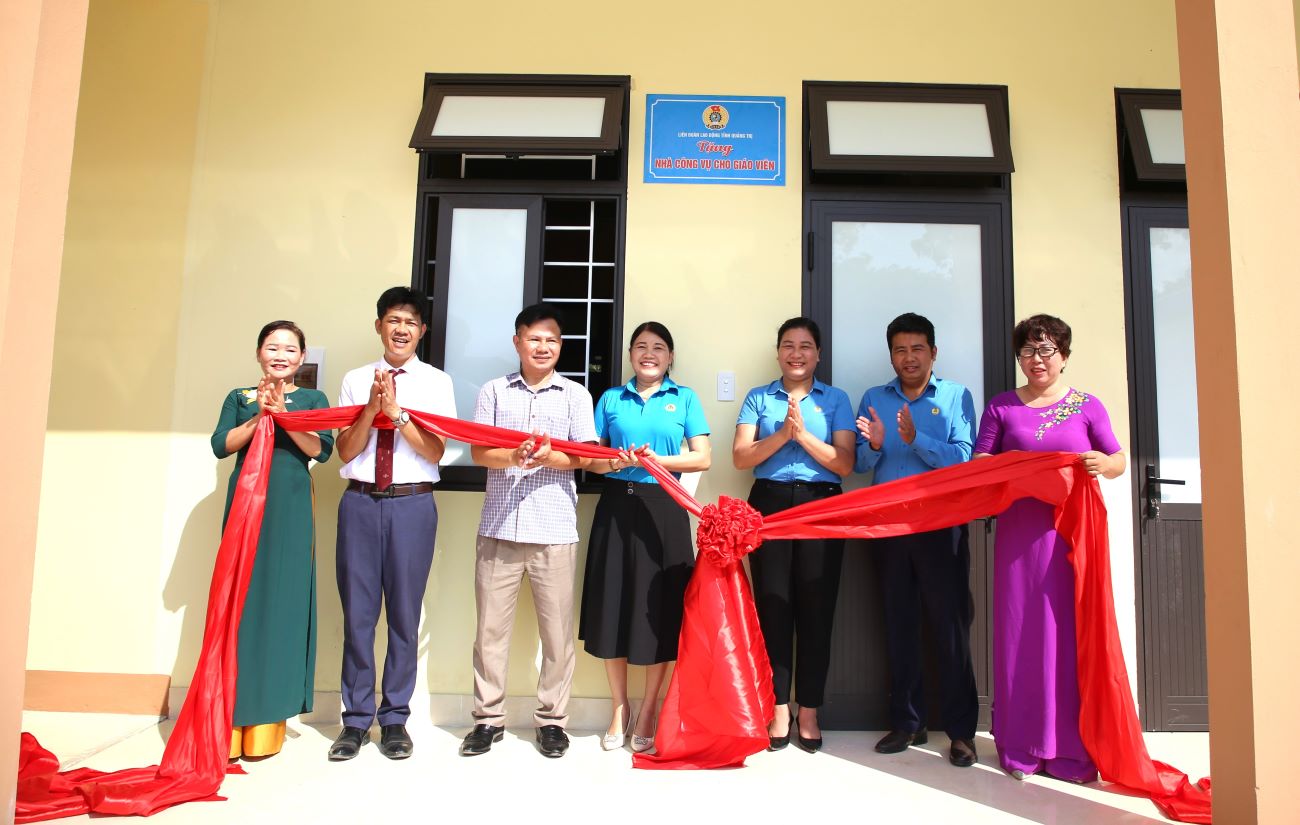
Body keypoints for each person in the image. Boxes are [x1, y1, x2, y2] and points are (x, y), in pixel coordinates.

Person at [973, 313, 1126, 782]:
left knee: (1069, 634)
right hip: (1020, 536)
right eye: (1026, 351)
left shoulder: (1087, 405)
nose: (1036, 360)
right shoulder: (1001, 407)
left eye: (1046, 351)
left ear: (1064, 356)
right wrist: (1009, 469)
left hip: (1072, 536)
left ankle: (1070, 752)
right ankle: (1020, 746)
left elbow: (1118, 459)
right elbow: (980, 461)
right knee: (1020, 635)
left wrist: (1104, 462)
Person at [459, 303, 598, 759]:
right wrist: (515, 456)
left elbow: (586, 456)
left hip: (554, 528)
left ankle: (553, 722)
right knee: (489, 634)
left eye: (551, 340)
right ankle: (487, 720)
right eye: (534, 338)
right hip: (499, 526)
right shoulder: (494, 392)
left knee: (557, 635)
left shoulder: (576, 395)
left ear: (561, 347)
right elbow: (480, 452)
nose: (542, 347)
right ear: (517, 341)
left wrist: (549, 455)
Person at [328, 287, 456, 762]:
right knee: (358, 616)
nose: (401, 328)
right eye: (393, 319)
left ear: (422, 331)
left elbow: (436, 451)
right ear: (378, 325)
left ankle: (395, 719)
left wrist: (397, 414)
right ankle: (355, 721)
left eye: (411, 321)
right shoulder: (355, 378)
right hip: (359, 504)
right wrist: (371, 409)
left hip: (412, 506)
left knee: (404, 615)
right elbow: (344, 450)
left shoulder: (437, 382)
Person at [854, 313, 980, 767]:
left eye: (917, 349)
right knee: (899, 623)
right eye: (900, 350)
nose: (909, 358)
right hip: (888, 527)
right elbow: (861, 466)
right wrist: (878, 444)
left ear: (933, 352)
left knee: (949, 628)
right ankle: (909, 722)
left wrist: (916, 438)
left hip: (941, 525)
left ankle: (962, 732)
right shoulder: (873, 397)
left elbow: (965, 460)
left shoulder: (955, 396)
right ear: (891, 355)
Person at [580, 321, 711, 752]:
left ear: (670, 357)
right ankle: (620, 706)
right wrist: (615, 463)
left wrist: (662, 459)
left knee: (660, 607)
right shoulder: (612, 399)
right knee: (613, 602)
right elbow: (589, 459)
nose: (649, 354)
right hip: (617, 505)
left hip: (665, 507)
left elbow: (703, 458)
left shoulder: (685, 398)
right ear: (631, 355)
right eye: (641, 347)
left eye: (658, 348)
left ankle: (651, 705)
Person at [211, 320, 334, 760]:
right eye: (272, 347)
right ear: (259, 353)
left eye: (289, 349)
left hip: (290, 509)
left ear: (302, 359)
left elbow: (320, 449)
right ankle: (228, 716)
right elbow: (221, 445)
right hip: (245, 506)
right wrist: (261, 416)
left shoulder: (313, 399)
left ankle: (267, 719)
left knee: (282, 605)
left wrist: (283, 416)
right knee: (240, 605)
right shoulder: (238, 398)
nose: (280, 355)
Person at [733, 317, 855, 753]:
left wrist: (801, 437)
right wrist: (783, 432)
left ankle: (810, 710)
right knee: (773, 608)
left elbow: (844, 464)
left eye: (806, 346)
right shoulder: (759, 398)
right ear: (778, 351)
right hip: (767, 503)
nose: (797, 353)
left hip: (822, 505)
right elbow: (741, 457)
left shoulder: (836, 399)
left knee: (816, 609)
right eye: (788, 345)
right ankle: (778, 707)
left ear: (818, 354)